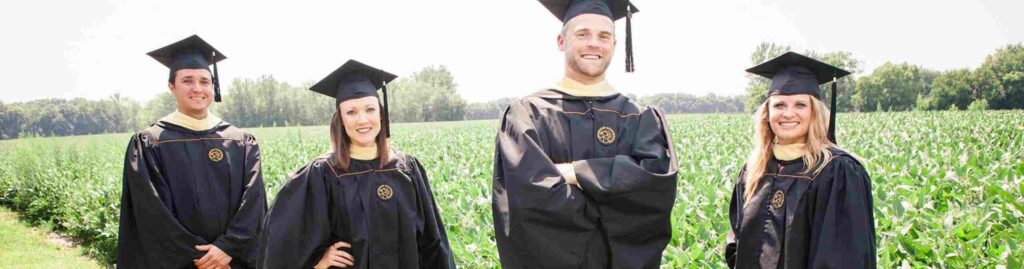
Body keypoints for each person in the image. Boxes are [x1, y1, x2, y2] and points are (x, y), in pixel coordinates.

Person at [491, 0, 679, 268]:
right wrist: (613, 195)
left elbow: (652, 191)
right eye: (583, 34)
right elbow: (529, 202)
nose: (594, 43)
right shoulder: (528, 116)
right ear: (561, 41)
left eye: (604, 36)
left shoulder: (640, 118)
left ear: (614, 45)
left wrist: (574, 173)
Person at [261, 60, 455, 269]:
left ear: (381, 114)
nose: (363, 119)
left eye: (370, 109)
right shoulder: (323, 173)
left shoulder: (407, 168)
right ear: (341, 120)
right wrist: (317, 262)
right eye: (351, 112)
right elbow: (280, 239)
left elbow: (432, 241)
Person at [118, 35, 266, 269]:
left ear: (213, 86)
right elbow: (152, 215)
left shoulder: (240, 141)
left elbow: (253, 204)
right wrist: (205, 260)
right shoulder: (150, 144)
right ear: (171, 87)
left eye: (204, 81)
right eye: (187, 80)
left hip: (234, 262)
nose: (197, 88)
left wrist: (228, 249)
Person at [725, 52, 877, 268]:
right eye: (779, 105)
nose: (788, 113)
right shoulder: (754, 171)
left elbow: (845, 258)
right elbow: (736, 244)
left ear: (815, 111)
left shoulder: (836, 172)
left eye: (800, 105)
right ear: (766, 113)